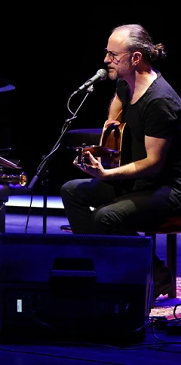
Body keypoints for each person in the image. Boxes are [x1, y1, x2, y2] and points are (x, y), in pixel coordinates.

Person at [60, 23, 181, 303]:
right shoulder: (125, 84)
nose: (106, 60)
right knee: (71, 191)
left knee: (105, 217)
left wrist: (107, 174)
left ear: (136, 58)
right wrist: (109, 132)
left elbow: (154, 164)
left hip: (165, 188)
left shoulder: (161, 101)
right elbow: (117, 102)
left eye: (113, 55)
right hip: (136, 181)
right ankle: (99, 266)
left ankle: (155, 273)